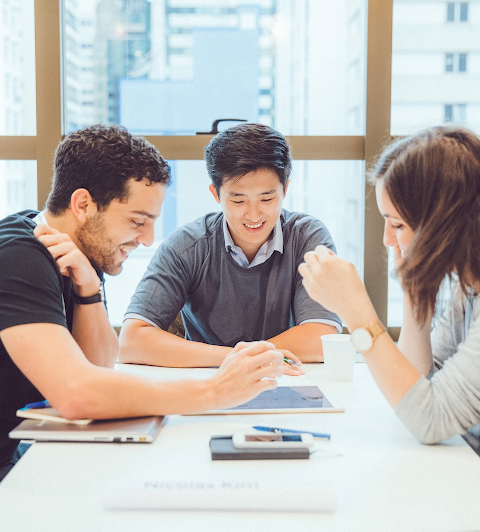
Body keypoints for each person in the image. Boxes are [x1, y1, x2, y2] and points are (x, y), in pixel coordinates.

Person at [0, 125, 284, 482]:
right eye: (138, 221)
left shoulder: (79, 252)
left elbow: (98, 365)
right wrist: (215, 391)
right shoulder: (19, 255)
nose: (148, 240)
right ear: (83, 205)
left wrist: (89, 288)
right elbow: (76, 395)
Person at [298, 125, 480, 444]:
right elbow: (417, 384)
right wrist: (414, 291)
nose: (387, 239)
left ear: (442, 222)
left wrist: (357, 315)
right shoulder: (467, 289)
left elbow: (431, 419)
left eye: (397, 223)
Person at [119, 123, 341, 373]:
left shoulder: (307, 238)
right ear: (216, 194)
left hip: (289, 379)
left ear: (285, 189)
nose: (254, 214)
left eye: (267, 199)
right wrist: (236, 358)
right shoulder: (187, 246)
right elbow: (131, 341)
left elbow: (322, 338)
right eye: (238, 200)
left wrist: (247, 358)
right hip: (209, 382)